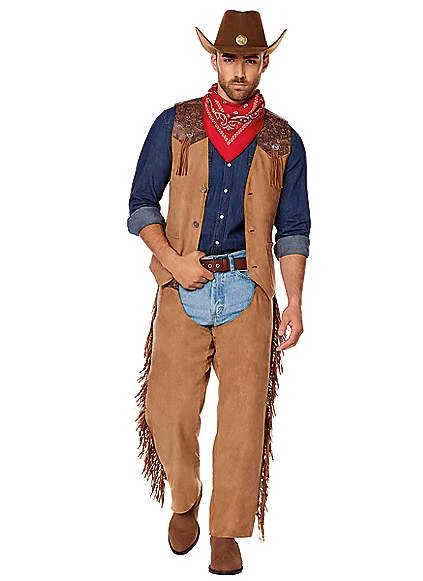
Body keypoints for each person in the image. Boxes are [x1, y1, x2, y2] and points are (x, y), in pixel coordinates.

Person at [127, 10, 311, 575]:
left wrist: (294, 301)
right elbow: (140, 205)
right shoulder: (176, 124)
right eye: (230, 58)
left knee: (244, 415)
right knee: (166, 407)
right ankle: (185, 497)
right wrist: (173, 262)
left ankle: (226, 530)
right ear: (214, 59)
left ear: (264, 62)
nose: (239, 71)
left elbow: (293, 229)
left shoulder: (284, 140)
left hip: (249, 289)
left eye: (250, 60)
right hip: (183, 282)